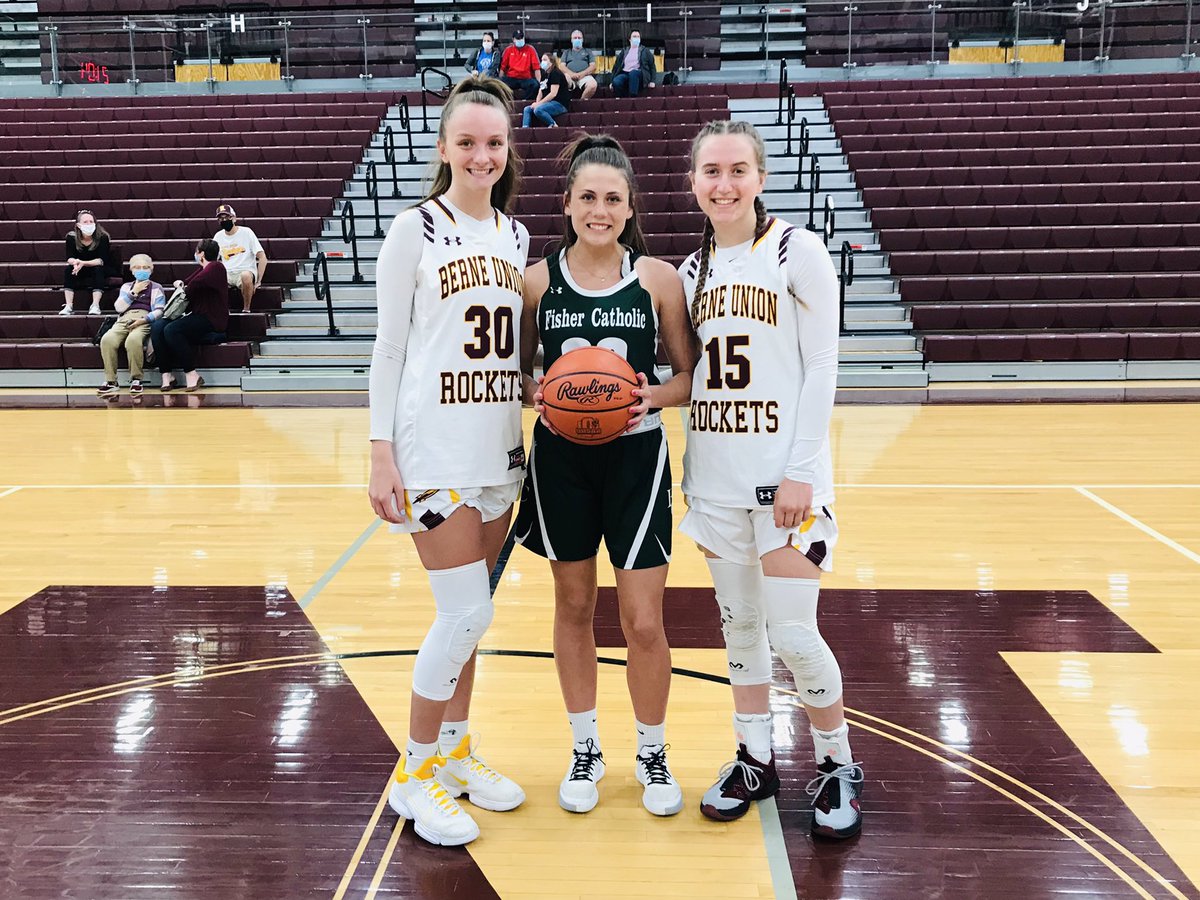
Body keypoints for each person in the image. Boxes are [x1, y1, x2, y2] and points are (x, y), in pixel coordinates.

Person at [678, 119, 864, 839]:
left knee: (792, 632)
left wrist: (800, 473)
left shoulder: (797, 250)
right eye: (710, 172)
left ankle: (836, 762)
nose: (723, 184)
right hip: (716, 483)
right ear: (693, 183)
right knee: (741, 629)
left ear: (760, 177)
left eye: (736, 170)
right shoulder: (690, 273)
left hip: (787, 485)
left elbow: (823, 368)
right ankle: (754, 758)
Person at [367, 74, 531, 848]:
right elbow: (390, 347)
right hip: (432, 449)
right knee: (464, 612)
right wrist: (379, 453)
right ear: (443, 148)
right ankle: (414, 773)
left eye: (493, 142)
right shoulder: (413, 230)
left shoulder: (515, 237)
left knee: (471, 622)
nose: (481, 154)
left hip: (498, 448)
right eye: (466, 142)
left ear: (508, 149)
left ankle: (458, 753)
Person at [514, 134, 699, 817]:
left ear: (629, 209)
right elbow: (519, 372)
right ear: (566, 204)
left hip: (637, 458)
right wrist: (540, 392)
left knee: (642, 620)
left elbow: (685, 376)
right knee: (572, 606)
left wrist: (647, 396)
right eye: (587, 197)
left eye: (612, 199)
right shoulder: (536, 281)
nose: (599, 209)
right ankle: (585, 747)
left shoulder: (658, 279)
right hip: (560, 459)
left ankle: (652, 752)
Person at [151, 239, 228, 393]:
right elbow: (188, 283)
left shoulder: (216, 266)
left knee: (172, 330)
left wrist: (182, 285)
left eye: (197, 251)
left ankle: (191, 373)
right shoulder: (203, 268)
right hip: (198, 316)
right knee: (158, 326)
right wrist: (182, 284)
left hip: (211, 319)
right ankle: (166, 374)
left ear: (202, 254)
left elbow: (191, 285)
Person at [97, 253, 167, 397]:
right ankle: (111, 381)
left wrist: (145, 319)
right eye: (138, 267)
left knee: (133, 341)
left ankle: (136, 379)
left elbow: (160, 310)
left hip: (144, 319)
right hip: (124, 318)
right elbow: (119, 307)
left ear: (151, 269)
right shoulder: (126, 287)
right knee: (107, 340)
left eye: (145, 267)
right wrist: (134, 292)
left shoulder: (156, 288)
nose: (142, 270)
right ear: (132, 270)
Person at [212, 204, 266, 313]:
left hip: (245, 270)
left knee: (245, 276)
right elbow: (213, 260)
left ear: (234, 218)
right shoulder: (218, 236)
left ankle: (246, 308)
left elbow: (262, 257)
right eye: (221, 218)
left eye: (227, 217)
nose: (224, 220)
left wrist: (258, 281)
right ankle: (221, 311)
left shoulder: (246, 232)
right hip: (227, 272)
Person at [60, 210, 111, 316]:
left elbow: (101, 260)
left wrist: (83, 262)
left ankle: (95, 305)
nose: (89, 224)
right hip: (79, 266)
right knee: (69, 270)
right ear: (78, 225)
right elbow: (69, 257)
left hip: (97, 266)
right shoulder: (71, 237)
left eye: (91, 222)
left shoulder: (103, 237)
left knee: (98, 271)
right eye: (85, 222)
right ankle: (69, 305)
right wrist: (75, 263)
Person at [521, 53, 571, 128]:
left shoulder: (555, 73)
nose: (542, 62)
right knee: (527, 109)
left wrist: (539, 104)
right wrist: (537, 102)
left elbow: (553, 93)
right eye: (542, 60)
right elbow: (541, 90)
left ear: (551, 62)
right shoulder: (544, 74)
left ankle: (553, 124)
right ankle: (525, 129)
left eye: (545, 60)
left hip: (560, 103)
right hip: (548, 103)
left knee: (538, 110)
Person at [610, 31, 656, 98]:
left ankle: (633, 97)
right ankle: (621, 98)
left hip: (639, 73)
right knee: (617, 81)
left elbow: (652, 66)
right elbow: (616, 66)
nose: (636, 38)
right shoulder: (624, 51)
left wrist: (652, 81)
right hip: (625, 73)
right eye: (634, 36)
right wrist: (612, 81)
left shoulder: (645, 51)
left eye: (638, 37)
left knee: (633, 73)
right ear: (629, 39)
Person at [499, 29, 540, 101]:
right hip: (512, 78)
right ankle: (511, 100)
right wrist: (500, 79)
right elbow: (503, 67)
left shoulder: (530, 49)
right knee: (500, 83)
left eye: (521, 38)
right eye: (518, 38)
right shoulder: (508, 50)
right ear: (513, 39)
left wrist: (539, 82)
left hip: (526, 79)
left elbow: (536, 68)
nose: (520, 40)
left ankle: (526, 100)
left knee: (535, 85)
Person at [560, 29, 598, 101]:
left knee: (593, 85)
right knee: (562, 79)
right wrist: (571, 74)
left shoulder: (588, 51)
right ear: (571, 40)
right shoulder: (566, 52)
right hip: (569, 77)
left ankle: (581, 102)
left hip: (584, 76)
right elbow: (562, 66)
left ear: (582, 40)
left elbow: (593, 66)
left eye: (579, 38)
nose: (577, 39)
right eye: (575, 38)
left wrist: (582, 74)